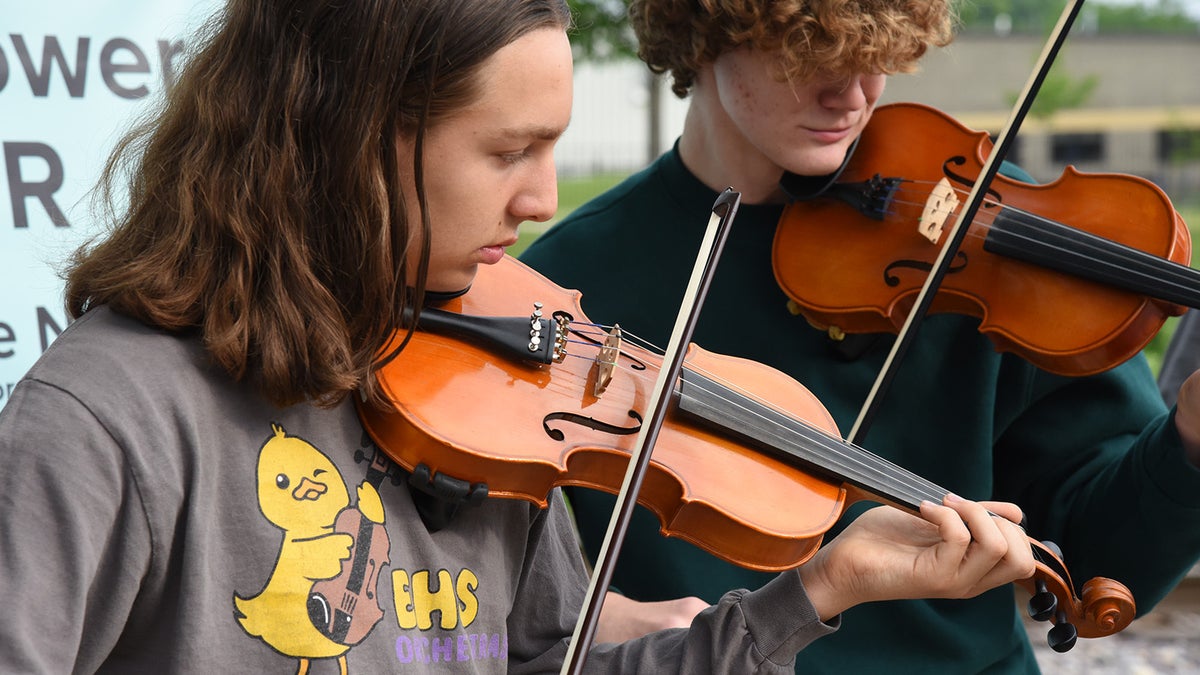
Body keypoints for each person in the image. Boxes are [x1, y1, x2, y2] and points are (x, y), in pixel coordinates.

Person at [0, 1, 1040, 673]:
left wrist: (822, 586)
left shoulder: (495, 388)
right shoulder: (106, 416)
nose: (544, 197)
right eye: (509, 151)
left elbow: (551, 661)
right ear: (348, 142)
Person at [520, 0, 1200, 672]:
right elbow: (476, 594)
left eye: (875, 56)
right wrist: (601, 613)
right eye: (808, 55)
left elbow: (1106, 567)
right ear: (702, 31)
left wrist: (1190, 443)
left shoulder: (982, 233)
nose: (851, 95)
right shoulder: (566, 287)